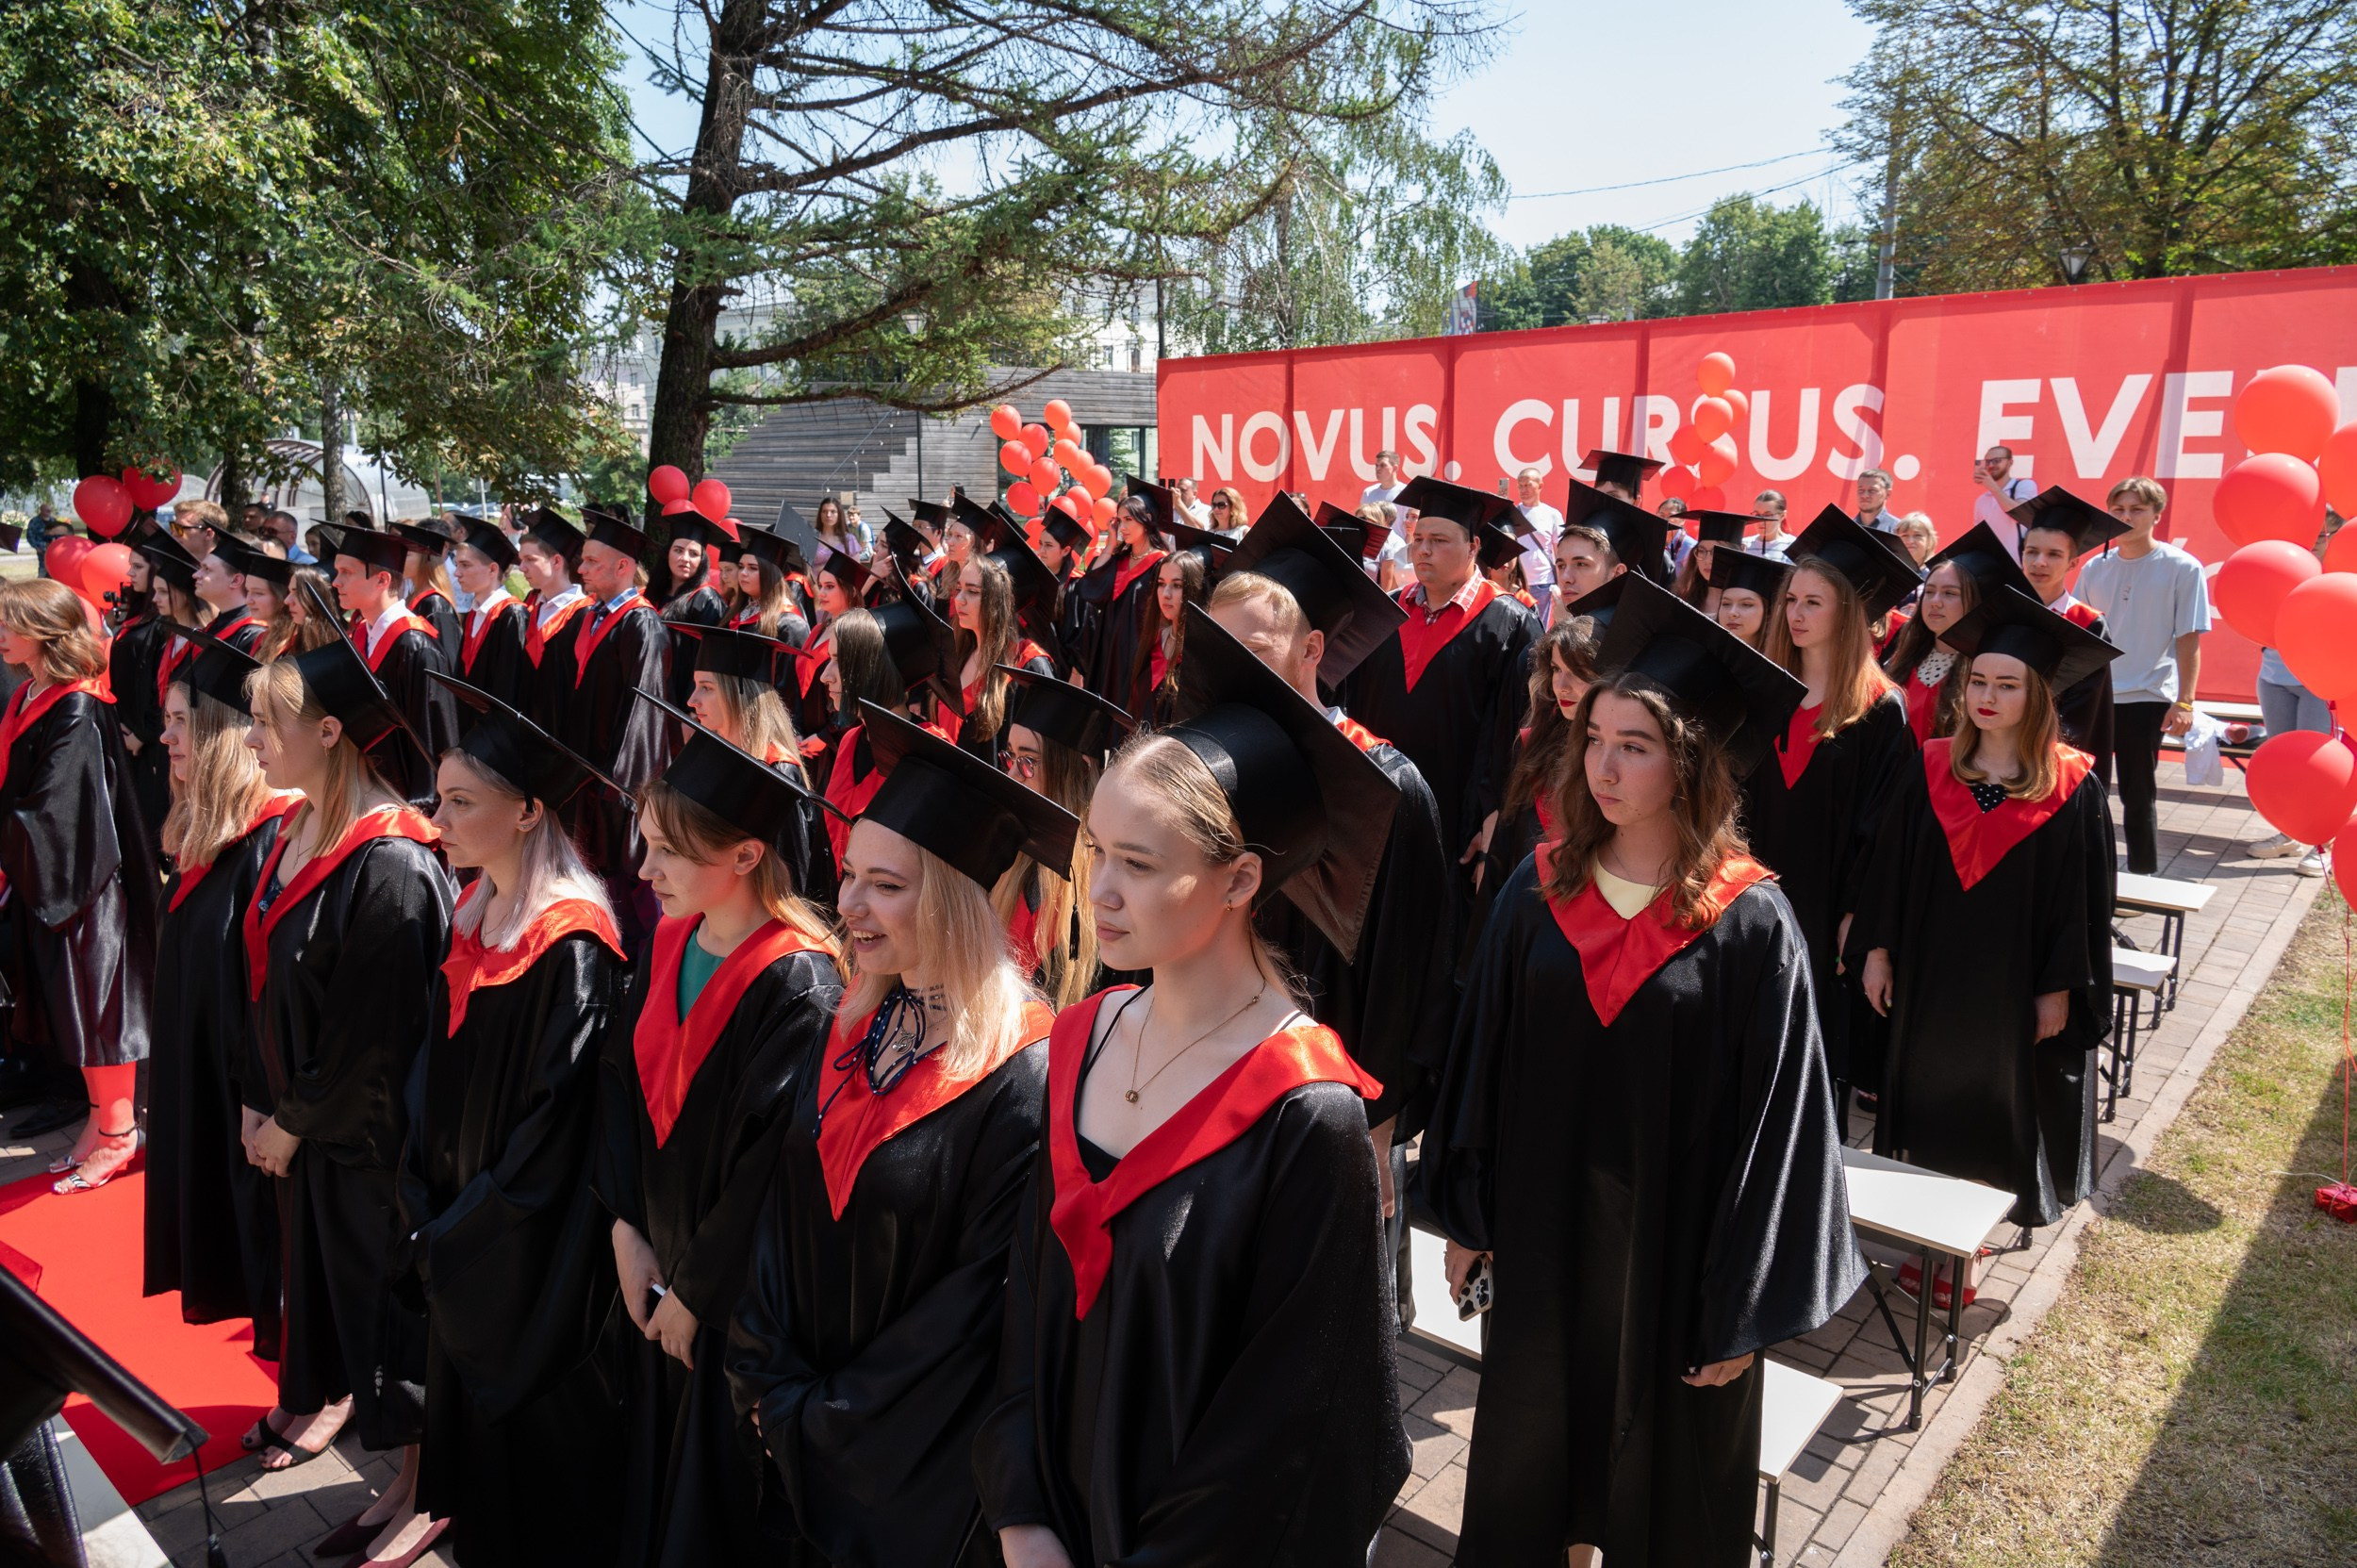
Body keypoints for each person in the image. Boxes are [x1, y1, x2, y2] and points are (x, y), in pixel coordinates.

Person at [1423, 573, 1864, 1567]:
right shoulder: (1538, 897)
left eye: (1637, 745)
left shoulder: (1752, 923)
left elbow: (1784, 1131)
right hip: (1542, 1243)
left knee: (1667, 1481)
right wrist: (1465, 1215)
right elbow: (1479, 1065)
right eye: (1596, 740)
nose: (1606, 765)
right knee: (1538, 1452)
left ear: (1689, 760)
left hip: (1681, 1259)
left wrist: (1747, 1305)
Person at [974, 613, 1411, 1567]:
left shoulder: (1306, 1112)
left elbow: (1290, 1430)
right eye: (1098, 851)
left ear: (1239, 879)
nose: (1101, 892)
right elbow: (1024, 1313)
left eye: (1140, 864)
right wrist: (1021, 1516)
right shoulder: (1081, 1037)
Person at [726, 702, 1072, 1566]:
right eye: (848, 875)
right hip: (792, 1427)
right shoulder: (852, 1022)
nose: (849, 905)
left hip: (909, 1480)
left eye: (886, 884)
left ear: (953, 899)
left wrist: (817, 1420)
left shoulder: (1022, 1076)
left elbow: (966, 1323)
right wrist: (768, 1382)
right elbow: (782, 1210)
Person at [594, 706, 845, 1567]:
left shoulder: (800, 981)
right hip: (652, 1271)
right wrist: (626, 1231)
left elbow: (767, 1175)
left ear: (745, 855)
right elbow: (623, 1091)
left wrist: (696, 1294)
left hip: (725, 1311)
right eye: (647, 839)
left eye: (669, 848)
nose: (646, 866)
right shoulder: (669, 938)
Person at [397, 676, 630, 1567]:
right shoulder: (476, 913)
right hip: (459, 1225)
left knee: (538, 1474)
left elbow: (552, 1137)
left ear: (530, 811)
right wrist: (422, 1192)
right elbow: (433, 1070)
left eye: (461, 803)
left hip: (526, 1254)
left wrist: (460, 1231)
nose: (440, 821)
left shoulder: (569, 945)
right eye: (439, 798)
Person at [238, 630, 452, 1528]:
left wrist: (291, 1117)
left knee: (389, 1316)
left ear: (330, 733)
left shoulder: (395, 862)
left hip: (368, 1143)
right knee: (326, 1293)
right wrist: (262, 1093)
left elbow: (375, 1034)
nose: (250, 743)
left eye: (266, 725)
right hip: (305, 1124)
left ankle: (422, 1487)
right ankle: (373, 1444)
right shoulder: (296, 826)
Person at [1205, 501, 1449, 1230]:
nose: (1232, 668)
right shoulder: (1207, 772)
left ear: (1313, 649)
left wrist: (1375, 1122)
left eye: (1256, 647)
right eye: (1219, 645)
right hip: (1214, 1076)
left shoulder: (1387, 789)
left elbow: (1412, 974)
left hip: (1333, 1096)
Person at [1860, 587, 2119, 1227]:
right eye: (1979, 680)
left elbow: (2081, 901)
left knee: (1999, 1099)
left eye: (2008, 684)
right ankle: (1927, 1217)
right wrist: (1877, 949)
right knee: (1929, 1089)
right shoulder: (1930, 767)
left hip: (2012, 982)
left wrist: (2059, 984)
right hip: (1930, 973)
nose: (1988, 695)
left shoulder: (2071, 784)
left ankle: (1971, 1232)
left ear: (2038, 696)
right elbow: (1888, 869)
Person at [142, 625, 295, 1362]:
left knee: (273, 1234)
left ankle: (317, 1384)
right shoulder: (206, 834)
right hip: (211, 1075)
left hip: (253, 1088)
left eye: (180, 722)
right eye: (167, 720)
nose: (165, 736)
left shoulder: (271, 837)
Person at [1744, 506, 1922, 1102]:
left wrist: (1857, 920)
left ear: (1847, 611)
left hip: (1827, 915)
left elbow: (1883, 831)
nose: (1795, 613)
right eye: (1792, 599)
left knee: (1810, 1061)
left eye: (1813, 602)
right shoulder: (1769, 690)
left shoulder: (1878, 708)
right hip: (1754, 897)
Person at [0, 580, 159, 1189]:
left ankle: (119, 1130)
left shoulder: (78, 705)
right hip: (56, 875)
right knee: (78, 1007)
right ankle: (100, 1123)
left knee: (100, 1007)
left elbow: (59, 809)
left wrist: (8, 837)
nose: (2, 634)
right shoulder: (33, 695)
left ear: (43, 629)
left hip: (87, 880)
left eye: (10, 623)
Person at [1343, 476, 1539, 937]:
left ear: (1473, 546)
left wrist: (1494, 821)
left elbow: (1519, 736)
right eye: (1419, 540)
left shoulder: (1510, 625)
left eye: (1439, 541)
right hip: (1383, 816)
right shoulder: (1386, 613)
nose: (1423, 551)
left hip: (1459, 823)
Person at [2073, 477, 2209, 875]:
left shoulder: (2182, 567)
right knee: (2084, 790)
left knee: (2138, 794)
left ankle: (2143, 874)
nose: (2127, 517)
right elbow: (2079, 630)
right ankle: (2086, 876)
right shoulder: (2095, 566)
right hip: (2096, 695)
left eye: (2137, 510)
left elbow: (2188, 638)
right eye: (2118, 510)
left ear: (2156, 515)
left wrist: (2185, 701)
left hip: (2146, 698)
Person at [565, 504, 676, 946]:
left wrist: (622, 790)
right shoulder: (592, 617)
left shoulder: (641, 623)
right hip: (589, 780)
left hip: (617, 788)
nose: (582, 568)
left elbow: (643, 715)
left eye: (592, 561)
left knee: (632, 901)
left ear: (623, 566)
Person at [992, 669, 1134, 1006]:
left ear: (1076, 769)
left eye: (1029, 761)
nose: (1012, 774)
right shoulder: (1006, 857)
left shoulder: (1104, 885)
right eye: (1010, 756)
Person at [669, 625, 836, 903]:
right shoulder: (712, 756)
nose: (692, 700)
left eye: (706, 688)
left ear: (740, 694)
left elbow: (795, 884)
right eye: (696, 686)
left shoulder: (777, 772)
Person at [324, 526, 459, 807]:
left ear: (382, 580)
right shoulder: (361, 637)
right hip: (364, 794)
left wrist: (425, 811)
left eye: (346, 572)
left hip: (405, 805)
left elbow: (433, 744)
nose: (335, 582)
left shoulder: (416, 647)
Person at [2010, 487, 2126, 788]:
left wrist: (2038, 746)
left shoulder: (2087, 623)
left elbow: (2085, 712)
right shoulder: (2004, 610)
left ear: (2072, 563)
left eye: (2054, 555)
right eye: (2032, 552)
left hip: (2053, 757)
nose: (2040, 562)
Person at [1887, 521, 2035, 746]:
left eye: (1949, 593)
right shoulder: (1901, 659)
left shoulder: (1985, 675)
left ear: (1975, 604)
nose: (1935, 602)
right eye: (1930, 592)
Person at [950, 551, 1057, 755]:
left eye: (972, 591)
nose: (959, 600)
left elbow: (1043, 753)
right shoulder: (959, 652)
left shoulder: (1029, 666)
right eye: (958, 588)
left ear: (999, 602)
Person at [107, 550, 173, 850]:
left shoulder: (162, 624)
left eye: (138, 567)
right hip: (125, 733)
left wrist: (143, 735)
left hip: (146, 742)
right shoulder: (138, 615)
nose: (130, 574)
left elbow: (159, 685)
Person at [1083, 486, 1171, 699]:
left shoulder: (1162, 563)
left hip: (1139, 656)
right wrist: (1111, 543)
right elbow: (1089, 586)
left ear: (1147, 518)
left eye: (1128, 520)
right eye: (1119, 520)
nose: (1122, 526)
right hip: (1110, 654)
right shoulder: (1119, 560)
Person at [516, 506, 591, 738]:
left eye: (530, 559)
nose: (522, 568)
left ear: (557, 561)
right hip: (529, 733)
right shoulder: (535, 610)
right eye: (521, 559)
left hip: (566, 737)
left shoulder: (584, 614)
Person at [449, 515, 528, 716]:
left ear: (493, 569)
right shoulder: (475, 612)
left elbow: (509, 693)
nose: (457, 573)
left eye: (465, 565)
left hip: (495, 737)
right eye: (457, 565)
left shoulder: (512, 615)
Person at [655, 514, 730, 707]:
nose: (685, 559)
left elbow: (707, 660)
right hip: (652, 688)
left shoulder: (706, 599)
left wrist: (694, 708)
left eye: (694, 554)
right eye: (678, 550)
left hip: (681, 700)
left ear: (702, 560)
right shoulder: (654, 594)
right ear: (667, 553)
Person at [1126, 549, 1206, 725]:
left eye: (1177, 585)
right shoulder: (1153, 641)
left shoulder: (1199, 655)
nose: (1165, 594)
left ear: (1194, 590)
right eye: (1161, 584)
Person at [392, 518, 466, 652]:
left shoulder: (436, 605)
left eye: (407, 554)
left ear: (426, 559)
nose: (399, 559)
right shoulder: (415, 596)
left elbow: (448, 661)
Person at [1706, 542, 1791, 651]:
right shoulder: (1704, 655)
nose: (1732, 613)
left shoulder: (1780, 663)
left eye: (1746, 604)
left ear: (1768, 612)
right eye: (1726, 604)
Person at [1512, 466, 1565, 622]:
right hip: (1517, 581)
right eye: (1520, 486)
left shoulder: (1552, 514)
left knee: (1538, 626)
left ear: (1540, 486)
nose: (1523, 490)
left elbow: (1560, 550)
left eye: (1528, 485)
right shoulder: (1511, 513)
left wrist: (1561, 581)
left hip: (1542, 582)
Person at [1970, 446, 2039, 547]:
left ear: (2010, 462)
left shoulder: (2024, 485)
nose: (1991, 465)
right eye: (1988, 462)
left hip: (2019, 560)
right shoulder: (1982, 500)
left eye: (1997, 461)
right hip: (1993, 559)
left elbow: (2022, 515)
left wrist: (1994, 489)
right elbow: (1979, 536)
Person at [1749, 488, 1795, 558]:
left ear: (1782, 516)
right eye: (1757, 515)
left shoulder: (1793, 545)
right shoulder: (1743, 544)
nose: (1761, 521)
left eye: (1767, 515)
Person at [1854, 467, 1902, 532]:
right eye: (1861, 490)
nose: (1865, 495)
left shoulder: (1898, 530)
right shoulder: (1845, 527)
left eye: (1872, 490)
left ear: (1888, 494)